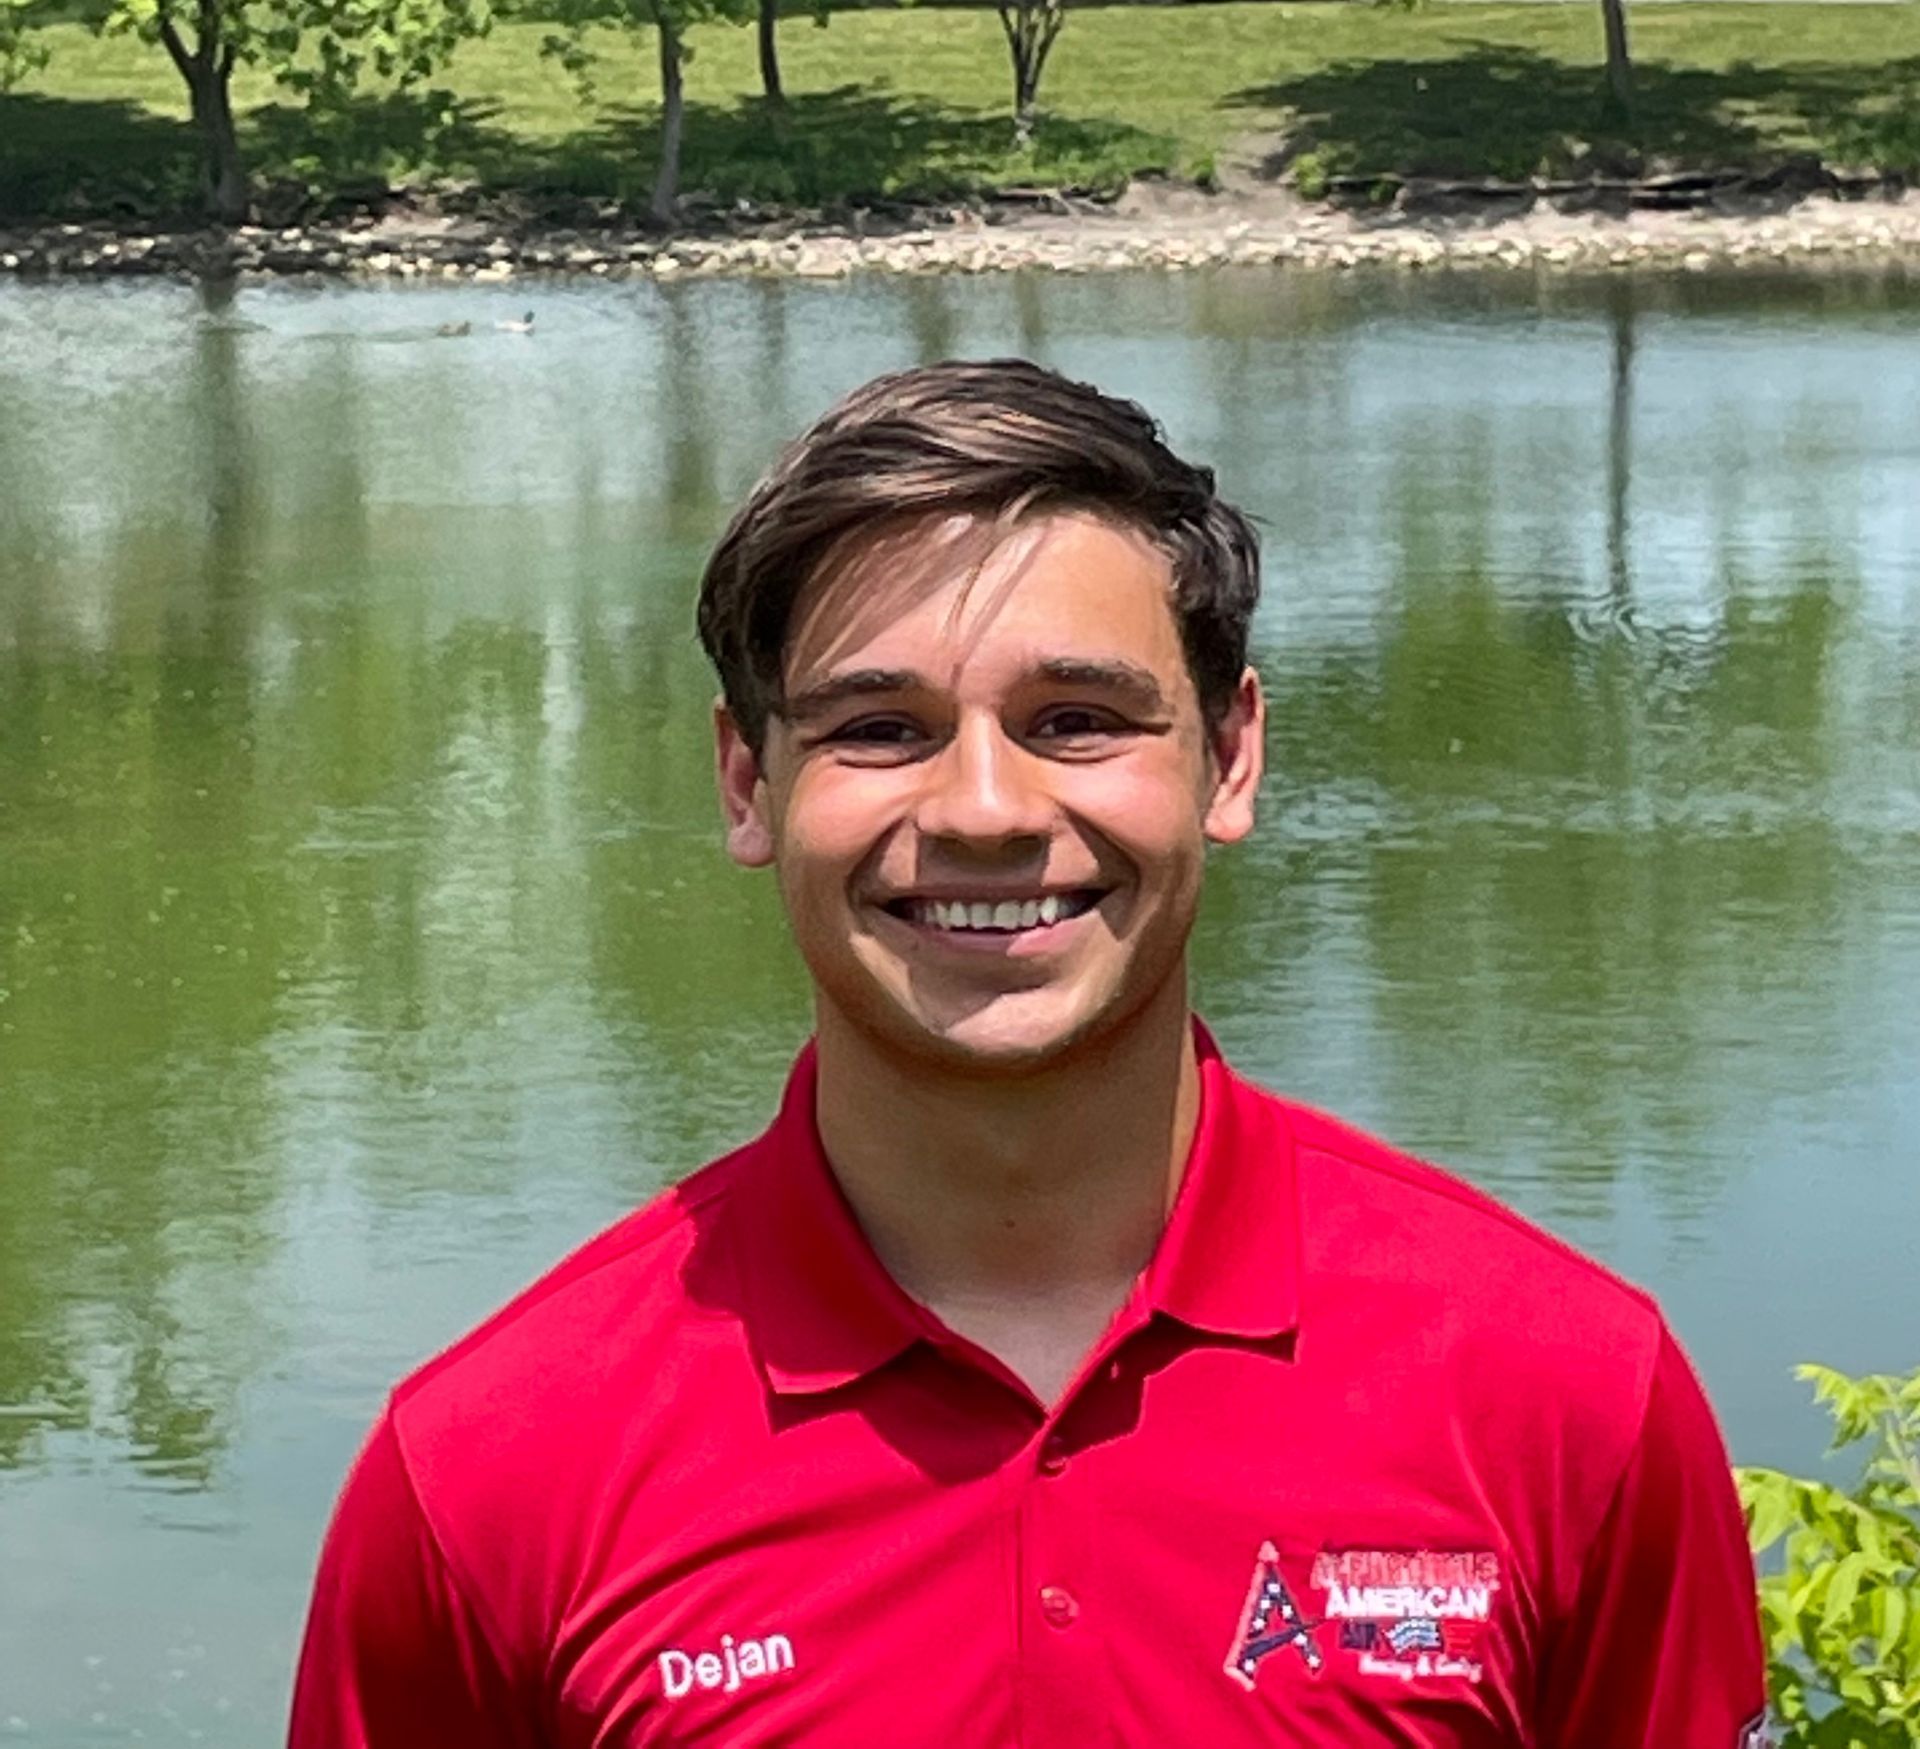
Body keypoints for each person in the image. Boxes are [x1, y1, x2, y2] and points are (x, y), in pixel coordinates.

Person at [289, 358, 1768, 1747]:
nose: (985, 806)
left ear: (1229, 755)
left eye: (1076, 719)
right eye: (879, 725)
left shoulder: (1563, 1392)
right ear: (748, 782)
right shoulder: (491, 1469)